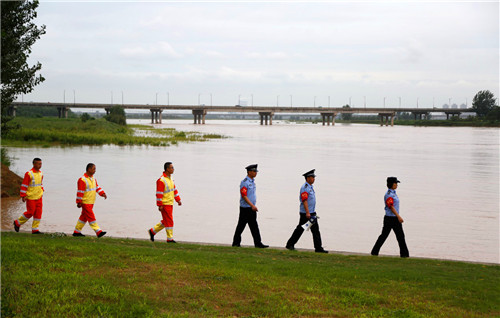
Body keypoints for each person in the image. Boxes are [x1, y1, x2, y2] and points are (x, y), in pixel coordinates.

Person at [286, 169, 328, 253]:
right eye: (312, 177)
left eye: (314, 177)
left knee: (314, 230)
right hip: (306, 214)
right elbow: (304, 200)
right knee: (301, 229)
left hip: (311, 212)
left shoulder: (310, 187)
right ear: (308, 178)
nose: (314, 179)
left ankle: (318, 248)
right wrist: (307, 212)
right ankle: (290, 244)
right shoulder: (305, 188)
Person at [371, 177, 409, 258]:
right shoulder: (389, 194)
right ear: (391, 184)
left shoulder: (394, 193)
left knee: (400, 236)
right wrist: (399, 216)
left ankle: (404, 254)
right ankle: (374, 252)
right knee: (384, 236)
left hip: (394, 218)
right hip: (391, 219)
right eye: (395, 183)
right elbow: (391, 206)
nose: (396, 185)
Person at [232, 164, 268, 248]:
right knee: (241, 226)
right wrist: (252, 205)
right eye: (254, 171)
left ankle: (258, 243)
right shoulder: (245, 182)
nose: (256, 173)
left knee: (254, 226)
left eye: (256, 171)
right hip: (246, 208)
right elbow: (244, 195)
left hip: (251, 208)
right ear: (249, 172)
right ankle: (236, 243)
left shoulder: (252, 182)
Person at [148, 162, 182, 243]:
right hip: (165, 204)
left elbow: (174, 190)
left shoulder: (170, 179)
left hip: (170, 203)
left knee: (166, 220)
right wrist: (160, 205)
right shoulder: (161, 180)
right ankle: (169, 239)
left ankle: (152, 231)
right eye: (172, 167)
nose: (173, 169)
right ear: (167, 169)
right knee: (169, 220)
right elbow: (159, 194)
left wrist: (178, 200)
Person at [72, 163, 107, 238]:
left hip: (91, 202)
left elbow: (97, 187)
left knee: (84, 217)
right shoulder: (82, 180)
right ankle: (98, 231)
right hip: (85, 202)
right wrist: (79, 202)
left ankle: (76, 231)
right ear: (89, 169)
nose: (95, 171)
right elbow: (80, 192)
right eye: (94, 169)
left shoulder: (93, 179)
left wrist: (102, 193)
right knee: (91, 217)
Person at [13, 158, 45, 234]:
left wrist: (42, 190)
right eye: (38, 164)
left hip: (39, 196)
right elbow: (24, 185)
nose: (40, 165)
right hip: (31, 197)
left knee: (38, 213)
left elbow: (40, 184)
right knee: (30, 212)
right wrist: (23, 195)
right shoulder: (29, 174)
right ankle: (17, 222)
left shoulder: (41, 173)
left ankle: (35, 229)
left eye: (41, 164)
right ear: (34, 164)